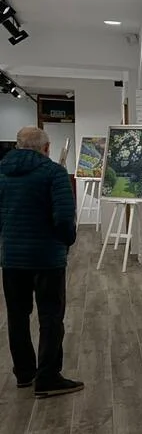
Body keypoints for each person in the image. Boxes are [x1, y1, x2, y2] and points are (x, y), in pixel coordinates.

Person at [0, 126, 83, 397]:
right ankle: (47, 378)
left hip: (12, 258)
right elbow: (64, 217)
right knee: (50, 316)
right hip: (47, 258)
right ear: (46, 148)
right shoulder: (54, 173)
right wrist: (67, 241)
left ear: (18, 146)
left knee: (17, 316)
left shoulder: (2, 172)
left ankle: (24, 372)